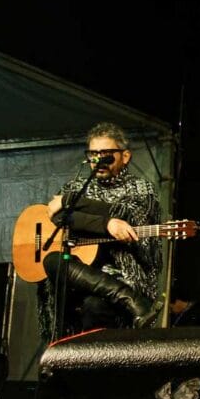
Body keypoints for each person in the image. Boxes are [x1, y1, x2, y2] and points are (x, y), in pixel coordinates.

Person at [41, 122, 160, 335]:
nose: (99, 160)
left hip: (120, 275)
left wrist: (72, 202)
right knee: (52, 260)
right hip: (77, 279)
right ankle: (126, 297)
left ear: (125, 157)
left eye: (107, 154)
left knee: (94, 307)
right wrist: (106, 223)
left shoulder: (141, 188)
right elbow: (56, 215)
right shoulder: (76, 186)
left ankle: (129, 298)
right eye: (94, 154)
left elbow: (129, 213)